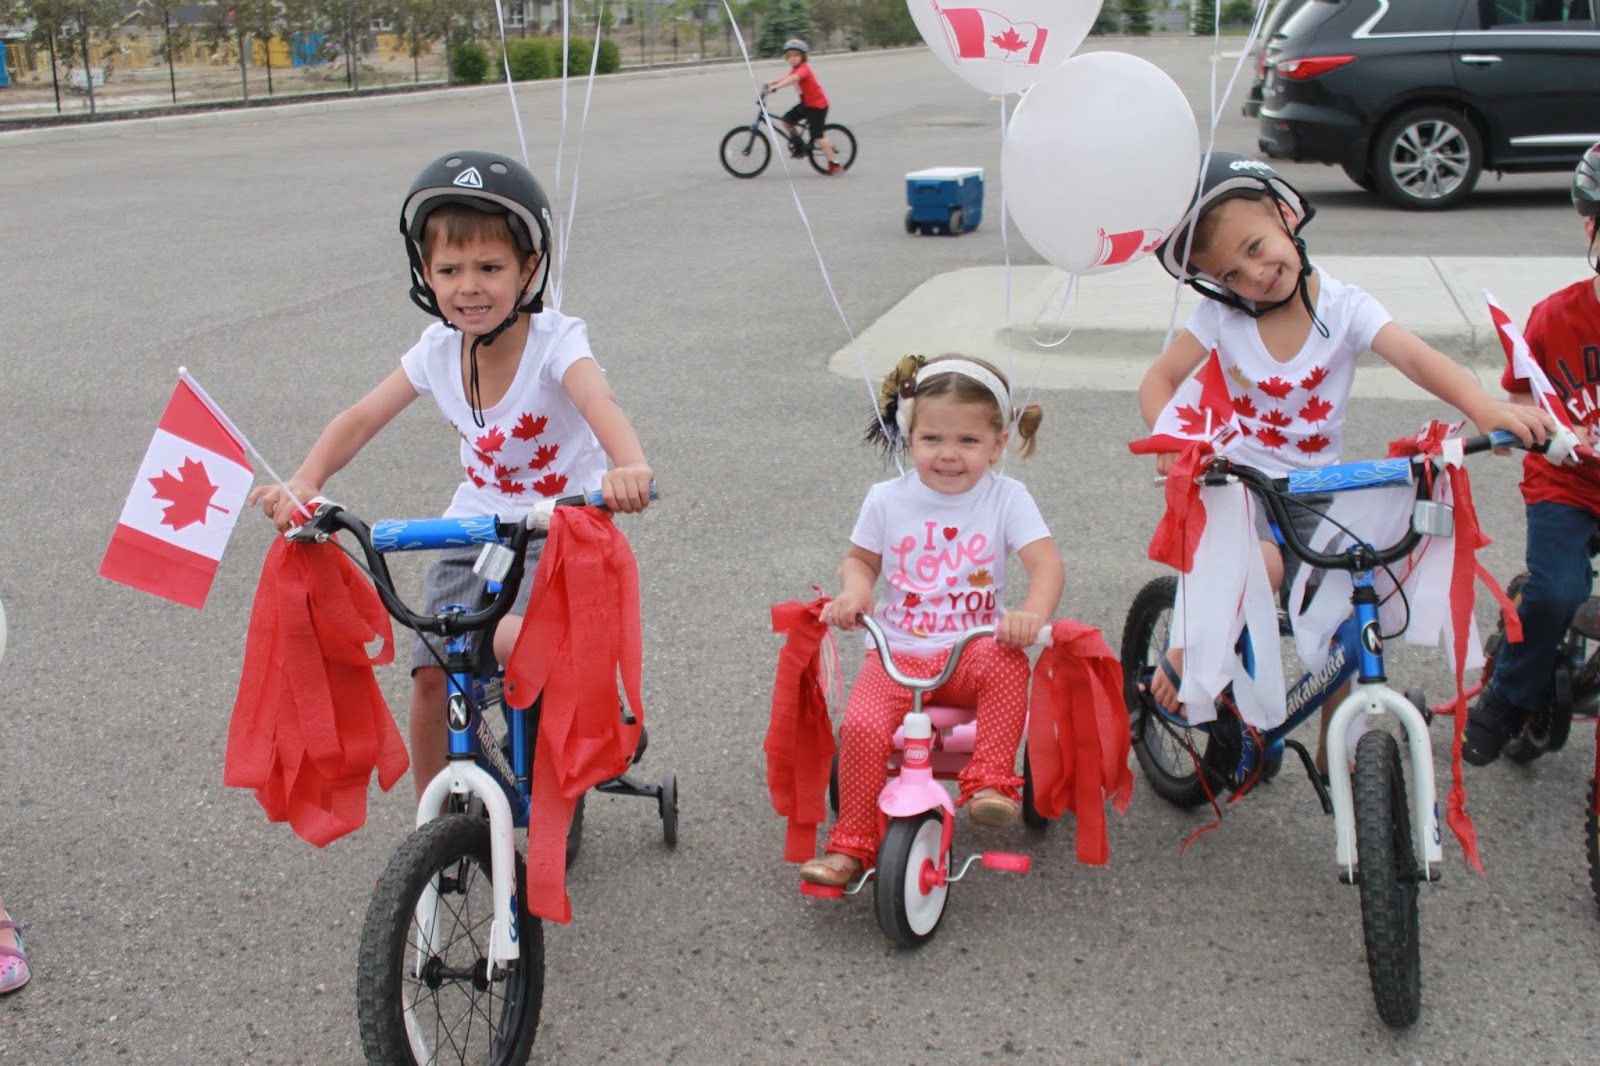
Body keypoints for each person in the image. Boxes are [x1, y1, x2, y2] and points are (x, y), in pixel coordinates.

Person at [249, 150, 654, 802]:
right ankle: (433, 817)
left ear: (529, 269)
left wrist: (629, 466)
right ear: (425, 275)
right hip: (473, 524)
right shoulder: (437, 349)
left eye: (490, 268)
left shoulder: (556, 341)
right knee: (432, 669)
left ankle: (590, 699)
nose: (469, 285)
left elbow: (598, 401)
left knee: (516, 637)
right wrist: (305, 479)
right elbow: (359, 417)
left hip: (560, 524)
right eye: (449, 269)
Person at [1140, 152, 1550, 776]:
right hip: (1239, 484)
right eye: (1232, 272)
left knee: (1351, 616)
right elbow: (1161, 379)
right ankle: (1186, 645)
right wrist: (1176, 442)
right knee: (1263, 564)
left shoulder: (1346, 307)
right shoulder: (1221, 317)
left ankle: (1343, 753)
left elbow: (1415, 359)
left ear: (1284, 215)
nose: (1255, 274)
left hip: (1314, 490)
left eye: (1256, 247)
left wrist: (1485, 407)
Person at [798, 355, 1065, 887]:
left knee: (1008, 662)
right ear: (908, 435)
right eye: (932, 439)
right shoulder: (887, 499)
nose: (948, 455)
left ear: (998, 444)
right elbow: (861, 561)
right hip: (896, 654)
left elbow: (1046, 564)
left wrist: (1032, 614)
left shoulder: (1006, 498)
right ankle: (852, 844)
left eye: (968, 441)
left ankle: (990, 782)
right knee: (861, 727)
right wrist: (856, 592)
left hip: (971, 649)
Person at [1463, 142, 1600, 765]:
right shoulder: (1557, 317)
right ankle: (1507, 694)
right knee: (1553, 593)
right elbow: (1520, 394)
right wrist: (1527, 425)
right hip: (1568, 483)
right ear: (1591, 225)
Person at [763, 38, 843, 175]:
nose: (793, 58)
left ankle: (835, 164)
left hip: (817, 106)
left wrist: (776, 87)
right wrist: (770, 83)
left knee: (818, 136)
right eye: (790, 56)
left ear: (803, 56)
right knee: (787, 121)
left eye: (796, 55)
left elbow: (793, 79)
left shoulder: (804, 69)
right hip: (806, 104)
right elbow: (787, 78)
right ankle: (799, 147)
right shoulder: (795, 69)